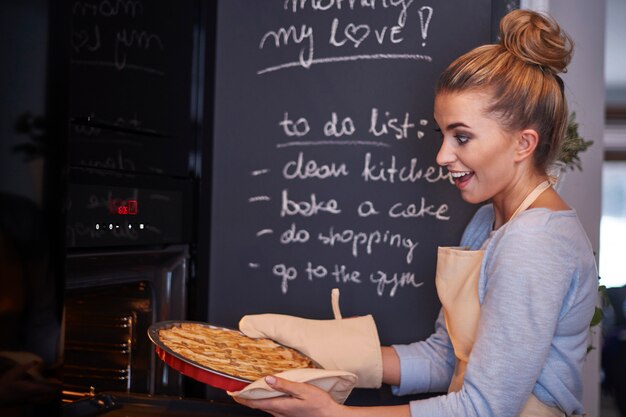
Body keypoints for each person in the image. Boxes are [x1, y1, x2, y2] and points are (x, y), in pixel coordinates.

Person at [234, 8, 598, 417]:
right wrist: (316, 349)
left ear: (523, 144)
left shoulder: (537, 242)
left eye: (462, 137)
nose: (443, 156)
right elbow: (446, 359)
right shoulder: (488, 223)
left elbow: (486, 408)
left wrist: (335, 415)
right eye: (442, 134)